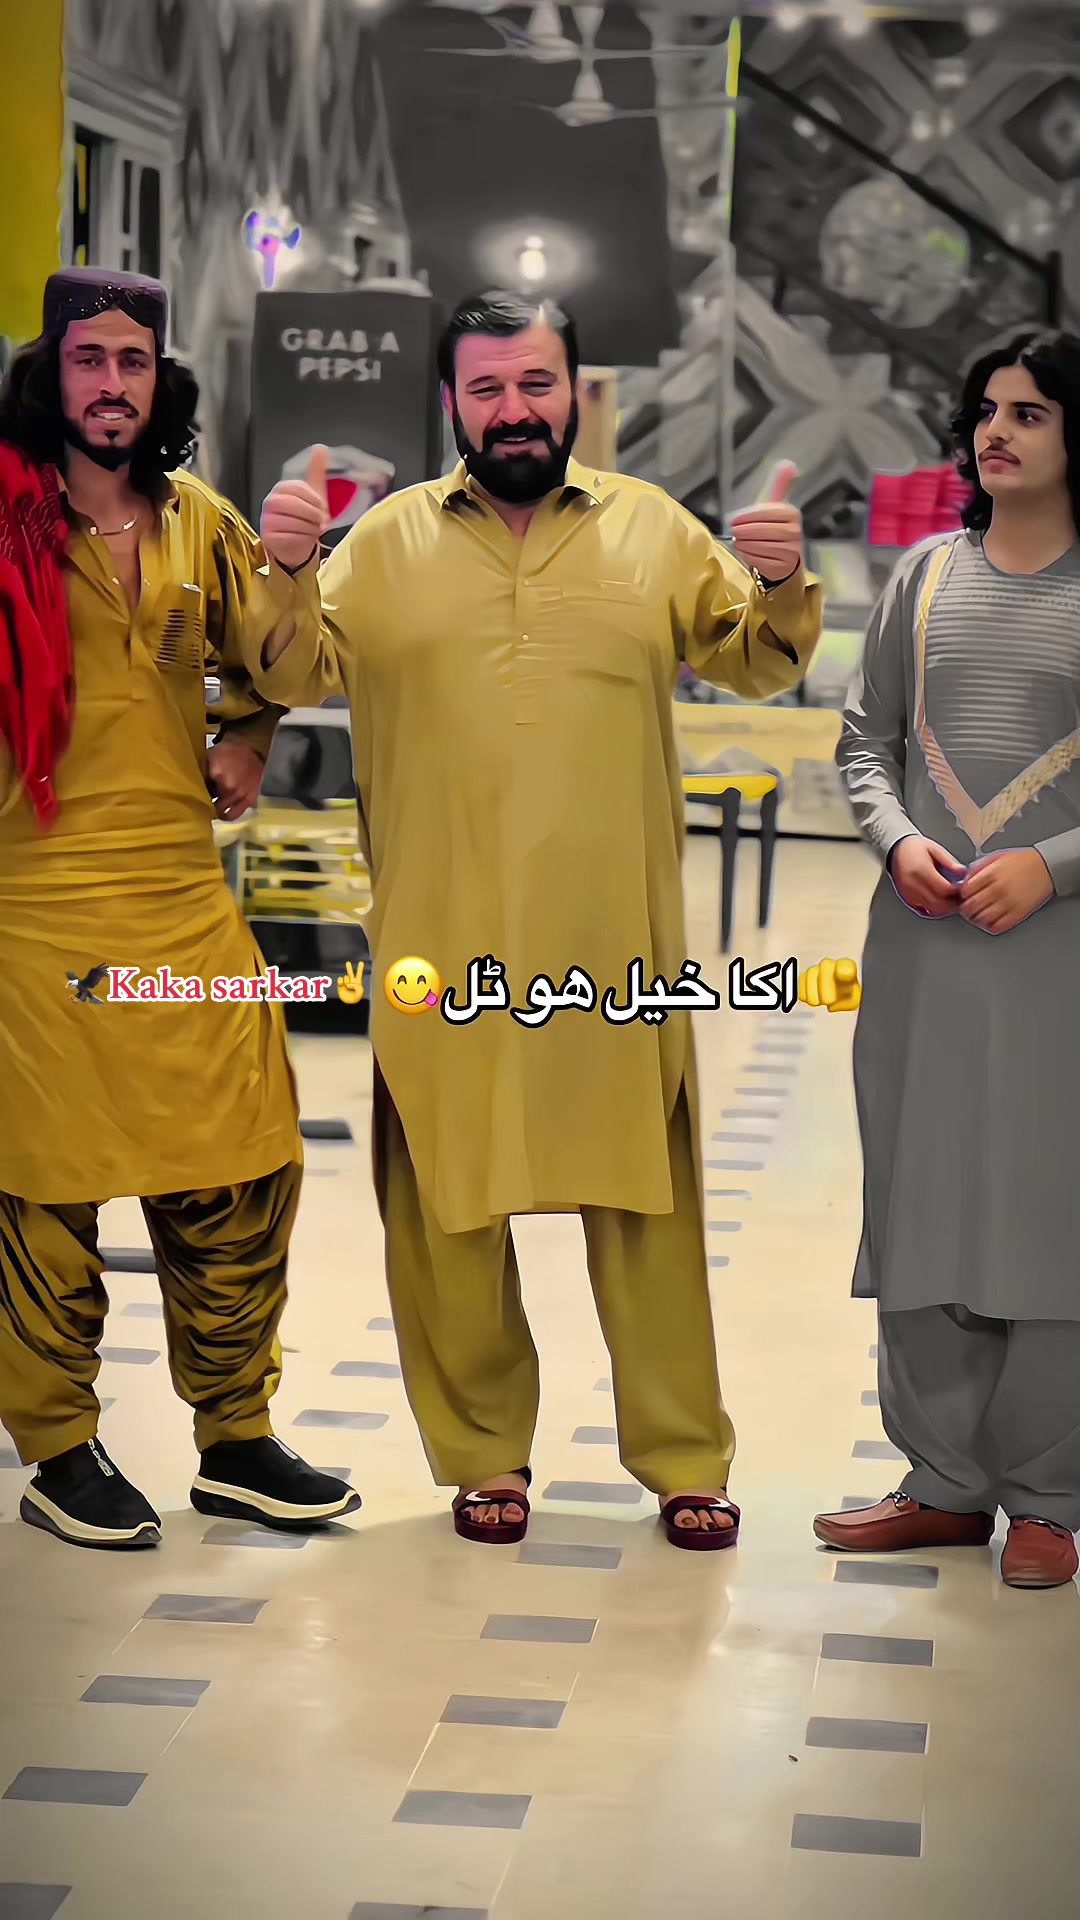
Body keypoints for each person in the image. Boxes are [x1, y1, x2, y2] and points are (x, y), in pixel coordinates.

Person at [257, 289, 822, 1550]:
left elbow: (755, 658)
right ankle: (483, 1456)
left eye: (536, 384)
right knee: (448, 1202)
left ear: (576, 392)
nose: (514, 410)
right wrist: (287, 569)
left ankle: (683, 1456)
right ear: (451, 403)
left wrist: (783, 580)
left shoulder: (651, 529)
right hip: (442, 934)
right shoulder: (385, 542)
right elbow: (294, 669)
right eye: (487, 389)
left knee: (649, 1201)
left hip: (612, 946)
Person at [0, 266, 358, 1549]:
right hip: (28, 904)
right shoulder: (5, 514)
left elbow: (296, 665)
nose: (112, 384)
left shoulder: (199, 521)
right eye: (89, 359)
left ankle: (236, 1437)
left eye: (134, 362)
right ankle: (60, 1447)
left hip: (177, 898)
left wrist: (258, 704)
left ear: (162, 382)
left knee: (244, 1152)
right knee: (42, 1192)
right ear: (50, 373)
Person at [814, 328, 1080, 1591]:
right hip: (923, 945)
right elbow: (863, 740)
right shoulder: (924, 576)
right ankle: (940, 1481)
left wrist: (1053, 867)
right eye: (987, 410)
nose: (998, 432)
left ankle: (1049, 1498)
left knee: (1048, 1203)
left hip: (1057, 957)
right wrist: (898, 840)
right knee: (918, 1194)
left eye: (1030, 412)